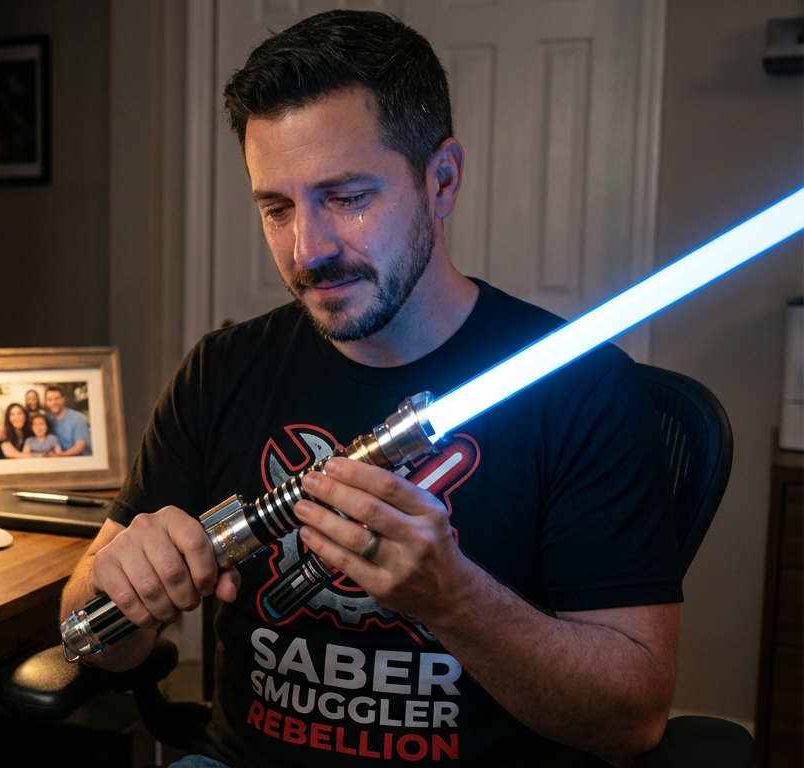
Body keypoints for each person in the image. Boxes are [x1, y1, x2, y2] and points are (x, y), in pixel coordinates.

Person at [59, 10, 680, 767]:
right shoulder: (220, 370)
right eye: (276, 208)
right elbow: (95, 642)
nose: (307, 250)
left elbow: (633, 719)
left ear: (441, 179)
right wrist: (120, 591)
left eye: (348, 197)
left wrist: (454, 599)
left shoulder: (582, 388)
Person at [45, 386, 92, 457]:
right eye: (50, 400)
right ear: (46, 402)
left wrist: (58, 456)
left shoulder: (77, 418)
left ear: (63, 400)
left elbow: (80, 447)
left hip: (79, 459)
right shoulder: (46, 418)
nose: (54, 402)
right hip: (59, 459)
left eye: (57, 399)